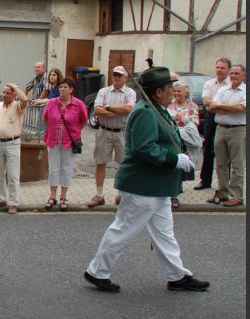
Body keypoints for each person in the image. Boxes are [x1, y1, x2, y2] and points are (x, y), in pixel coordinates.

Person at [84, 67, 209, 293]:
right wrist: (174, 159)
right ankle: (97, 271)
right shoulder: (145, 112)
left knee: (164, 234)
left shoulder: (156, 109)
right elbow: (144, 148)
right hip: (142, 186)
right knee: (123, 229)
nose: (173, 91)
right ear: (158, 92)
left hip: (157, 187)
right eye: (169, 87)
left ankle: (177, 276)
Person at [89, 65, 136, 208]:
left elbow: (128, 108)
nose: (116, 77)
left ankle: (120, 195)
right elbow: (97, 110)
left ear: (125, 77)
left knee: (123, 164)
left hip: (122, 132)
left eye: (119, 75)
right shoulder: (103, 91)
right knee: (100, 162)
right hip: (104, 131)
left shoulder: (130, 92)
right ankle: (99, 195)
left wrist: (108, 107)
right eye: (115, 74)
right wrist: (117, 111)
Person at [42, 78, 88, 211]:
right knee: (53, 168)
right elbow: (45, 118)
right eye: (60, 87)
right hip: (53, 140)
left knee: (67, 168)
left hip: (70, 141)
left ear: (71, 89)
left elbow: (84, 121)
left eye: (65, 87)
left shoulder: (78, 104)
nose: (62, 89)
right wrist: (52, 130)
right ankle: (52, 196)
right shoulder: (52, 103)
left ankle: (63, 196)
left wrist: (75, 132)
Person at [0, 82, 28, 214]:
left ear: (14, 95)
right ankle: (0, 199)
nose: (4, 95)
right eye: (3, 92)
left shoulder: (18, 106)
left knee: (13, 174)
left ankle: (13, 203)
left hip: (12, 143)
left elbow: (25, 99)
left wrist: (15, 87)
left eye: (8, 93)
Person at [209, 64, 246, 207]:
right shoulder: (222, 90)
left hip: (238, 130)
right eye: (231, 73)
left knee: (237, 165)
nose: (233, 76)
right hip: (221, 129)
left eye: (236, 73)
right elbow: (212, 107)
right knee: (220, 164)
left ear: (244, 75)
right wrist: (232, 108)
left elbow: (240, 108)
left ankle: (237, 196)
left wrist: (221, 107)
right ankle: (223, 193)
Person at [196, 58, 231, 190]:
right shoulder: (209, 83)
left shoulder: (232, 84)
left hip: (226, 118)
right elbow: (205, 100)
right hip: (211, 117)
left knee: (225, 150)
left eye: (222, 68)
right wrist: (221, 106)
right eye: (217, 67)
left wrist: (216, 105)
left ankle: (224, 183)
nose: (219, 70)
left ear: (228, 69)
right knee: (207, 148)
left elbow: (231, 103)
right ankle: (205, 181)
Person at [167, 82, 202, 208]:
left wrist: (175, 119)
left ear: (186, 93)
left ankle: (175, 193)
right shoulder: (168, 104)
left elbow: (194, 124)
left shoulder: (192, 106)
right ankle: (172, 195)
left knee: (179, 168)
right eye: (175, 91)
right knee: (171, 167)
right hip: (170, 140)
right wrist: (178, 120)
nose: (176, 93)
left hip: (185, 143)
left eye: (179, 91)